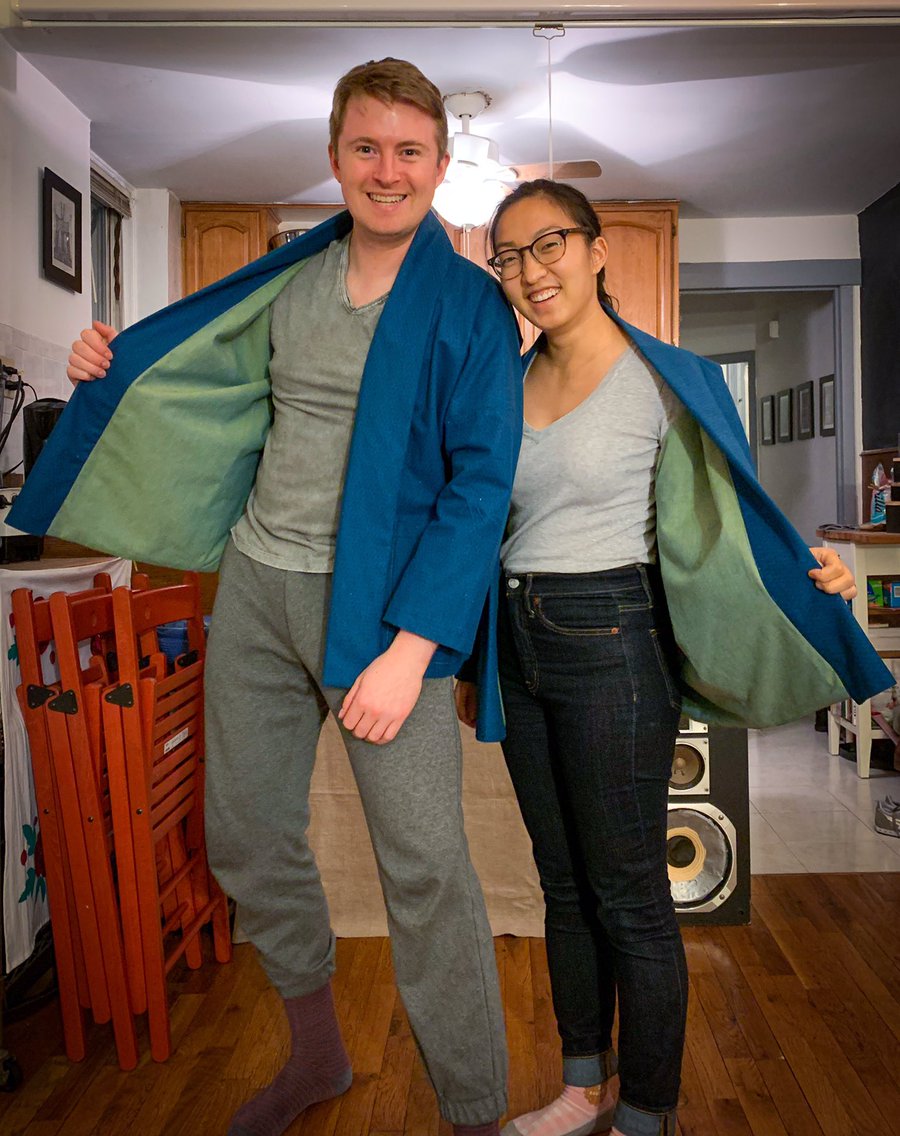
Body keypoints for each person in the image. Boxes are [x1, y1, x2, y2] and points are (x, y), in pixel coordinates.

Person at [12, 59, 523, 1136]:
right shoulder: (289, 276)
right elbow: (195, 378)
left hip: (383, 615)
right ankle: (317, 1057)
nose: (387, 171)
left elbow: (480, 488)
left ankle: (475, 1113)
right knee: (245, 836)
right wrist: (110, 359)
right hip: (256, 588)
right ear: (335, 157)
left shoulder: (472, 307)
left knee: (426, 867)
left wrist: (412, 651)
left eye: (410, 151)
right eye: (366, 147)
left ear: (441, 165)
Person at [454, 179, 888, 1136]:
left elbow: (736, 510)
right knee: (561, 884)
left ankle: (646, 1112)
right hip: (517, 642)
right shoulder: (501, 385)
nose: (530, 271)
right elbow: (473, 521)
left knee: (630, 896)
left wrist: (815, 572)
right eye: (510, 256)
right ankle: (583, 1086)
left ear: (597, 249)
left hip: (613, 639)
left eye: (549, 243)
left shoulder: (666, 379)